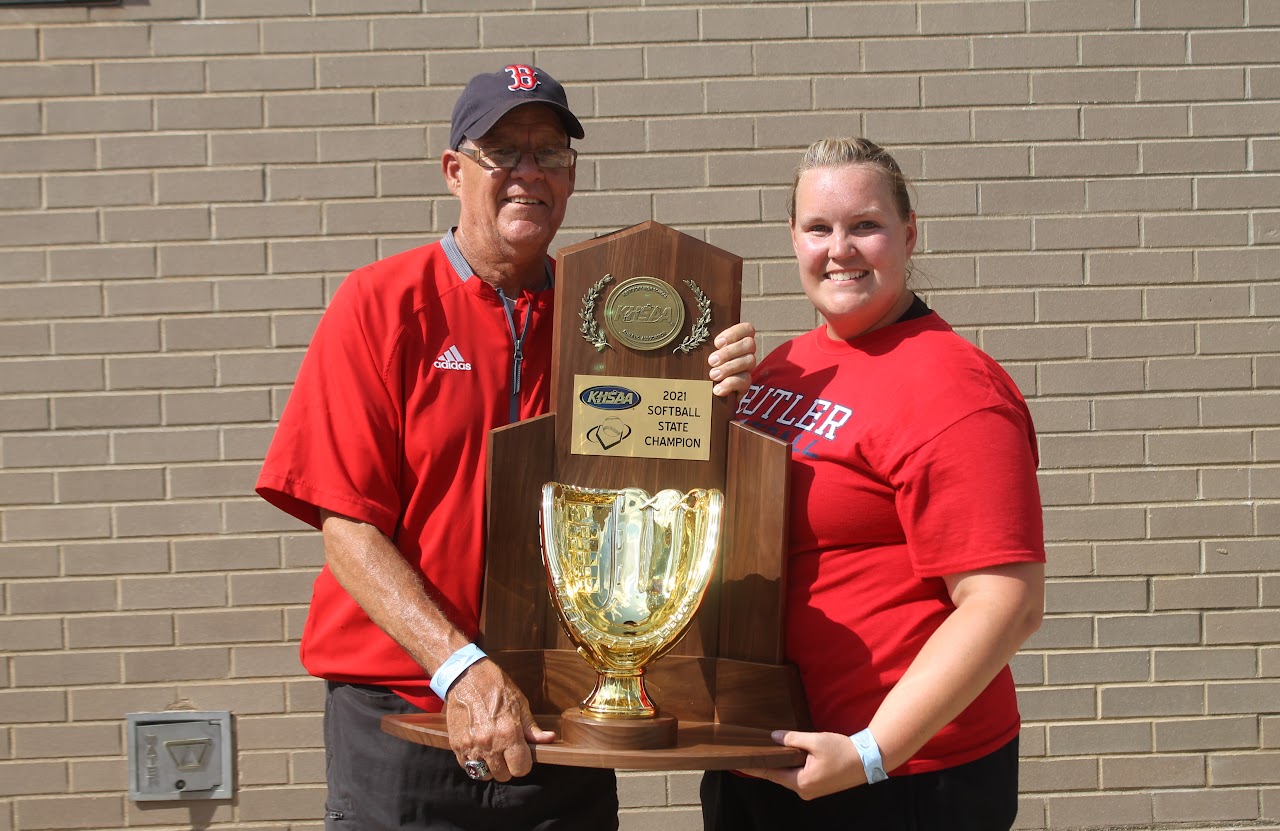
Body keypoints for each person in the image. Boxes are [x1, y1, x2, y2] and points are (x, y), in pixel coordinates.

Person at [255, 64, 756, 831]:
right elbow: (347, 533)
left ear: (572, 177)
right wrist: (460, 668)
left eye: (549, 153)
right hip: (406, 715)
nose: (529, 173)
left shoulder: (606, 324)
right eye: (503, 151)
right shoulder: (381, 304)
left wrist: (716, 398)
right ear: (455, 171)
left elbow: (667, 480)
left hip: (556, 708)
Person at [700, 138, 1045, 831]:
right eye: (818, 228)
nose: (840, 249)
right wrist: (704, 407)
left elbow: (1005, 601)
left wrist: (870, 751)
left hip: (899, 779)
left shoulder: (955, 388)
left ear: (909, 233)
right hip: (758, 758)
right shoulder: (783, 367)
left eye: (865, 226)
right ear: (793, 238)